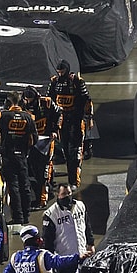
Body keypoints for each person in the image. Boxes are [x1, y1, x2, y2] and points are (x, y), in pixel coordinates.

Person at [0, 91, 38, 225]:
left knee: (13, 187)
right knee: (24, 185)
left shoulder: (3, 115)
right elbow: (34, 139)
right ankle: (26, 215)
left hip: (8, 155)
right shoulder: (28, 117)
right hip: (22, 155)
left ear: (8, 103)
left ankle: (18, 217)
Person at [41, 182, 95, 273]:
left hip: (83, 254)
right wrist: (51, 263)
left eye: (69, 193)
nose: (67, 197)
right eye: (64, 194)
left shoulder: (80, 206)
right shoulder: (51, 214)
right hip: (66, 259)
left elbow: (87, 226)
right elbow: (48, 241)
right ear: (58, 195)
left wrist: (91, 243)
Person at [47, 60, 93, 188]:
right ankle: (69, 176)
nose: (61, 74)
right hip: (62, 121)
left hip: (76, 120)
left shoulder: (77, 81)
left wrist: (89, 118)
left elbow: (87, 100)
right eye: (59, 71)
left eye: (62, 71)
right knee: (66, 152)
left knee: (75, 153)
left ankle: (74, 181)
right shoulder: (54, 82)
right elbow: (49, 101)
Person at [20, 86, 58, 209]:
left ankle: (42, 200)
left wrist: (54, 129)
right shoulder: (21, 105)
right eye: (27, 99)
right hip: (30, 142)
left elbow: (59, 114)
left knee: (43, 172)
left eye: (31, 99)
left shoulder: (46, 103)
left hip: (46, 140)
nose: (29, 102)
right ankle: (47, 189)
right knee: (33, 170)